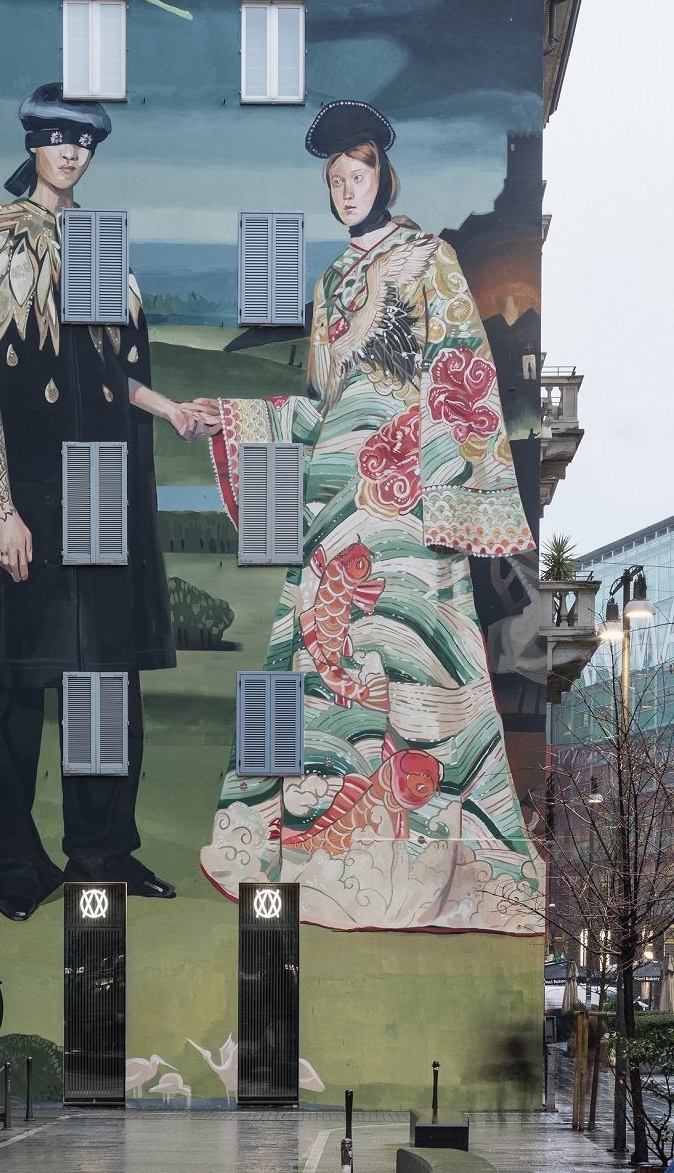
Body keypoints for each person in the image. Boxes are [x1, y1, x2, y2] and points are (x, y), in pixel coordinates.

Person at [192, 99, 543, 932]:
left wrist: (444, 501)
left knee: (418, 679)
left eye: (359, 172)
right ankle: (319, 855)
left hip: (407, 511)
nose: (348, 189)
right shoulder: (329, 285)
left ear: (385, 175)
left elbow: (461, 376)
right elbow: (322, 407)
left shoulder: (430, 261)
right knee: (317, 680)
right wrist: (234, 416)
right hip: (333, 512)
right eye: (335, 178)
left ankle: (417, 867)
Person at [0, 84, 198, 920]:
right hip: (24, 488)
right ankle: (9, 862)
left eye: (83, 140)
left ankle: (101, 852)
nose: (70, 151)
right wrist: (1, 507)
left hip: (96, 488)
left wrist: (169, 409)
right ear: (33, 143)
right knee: (11, 687)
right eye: (56, 136)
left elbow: (111, 372)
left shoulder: (97, 241)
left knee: (101, 685)